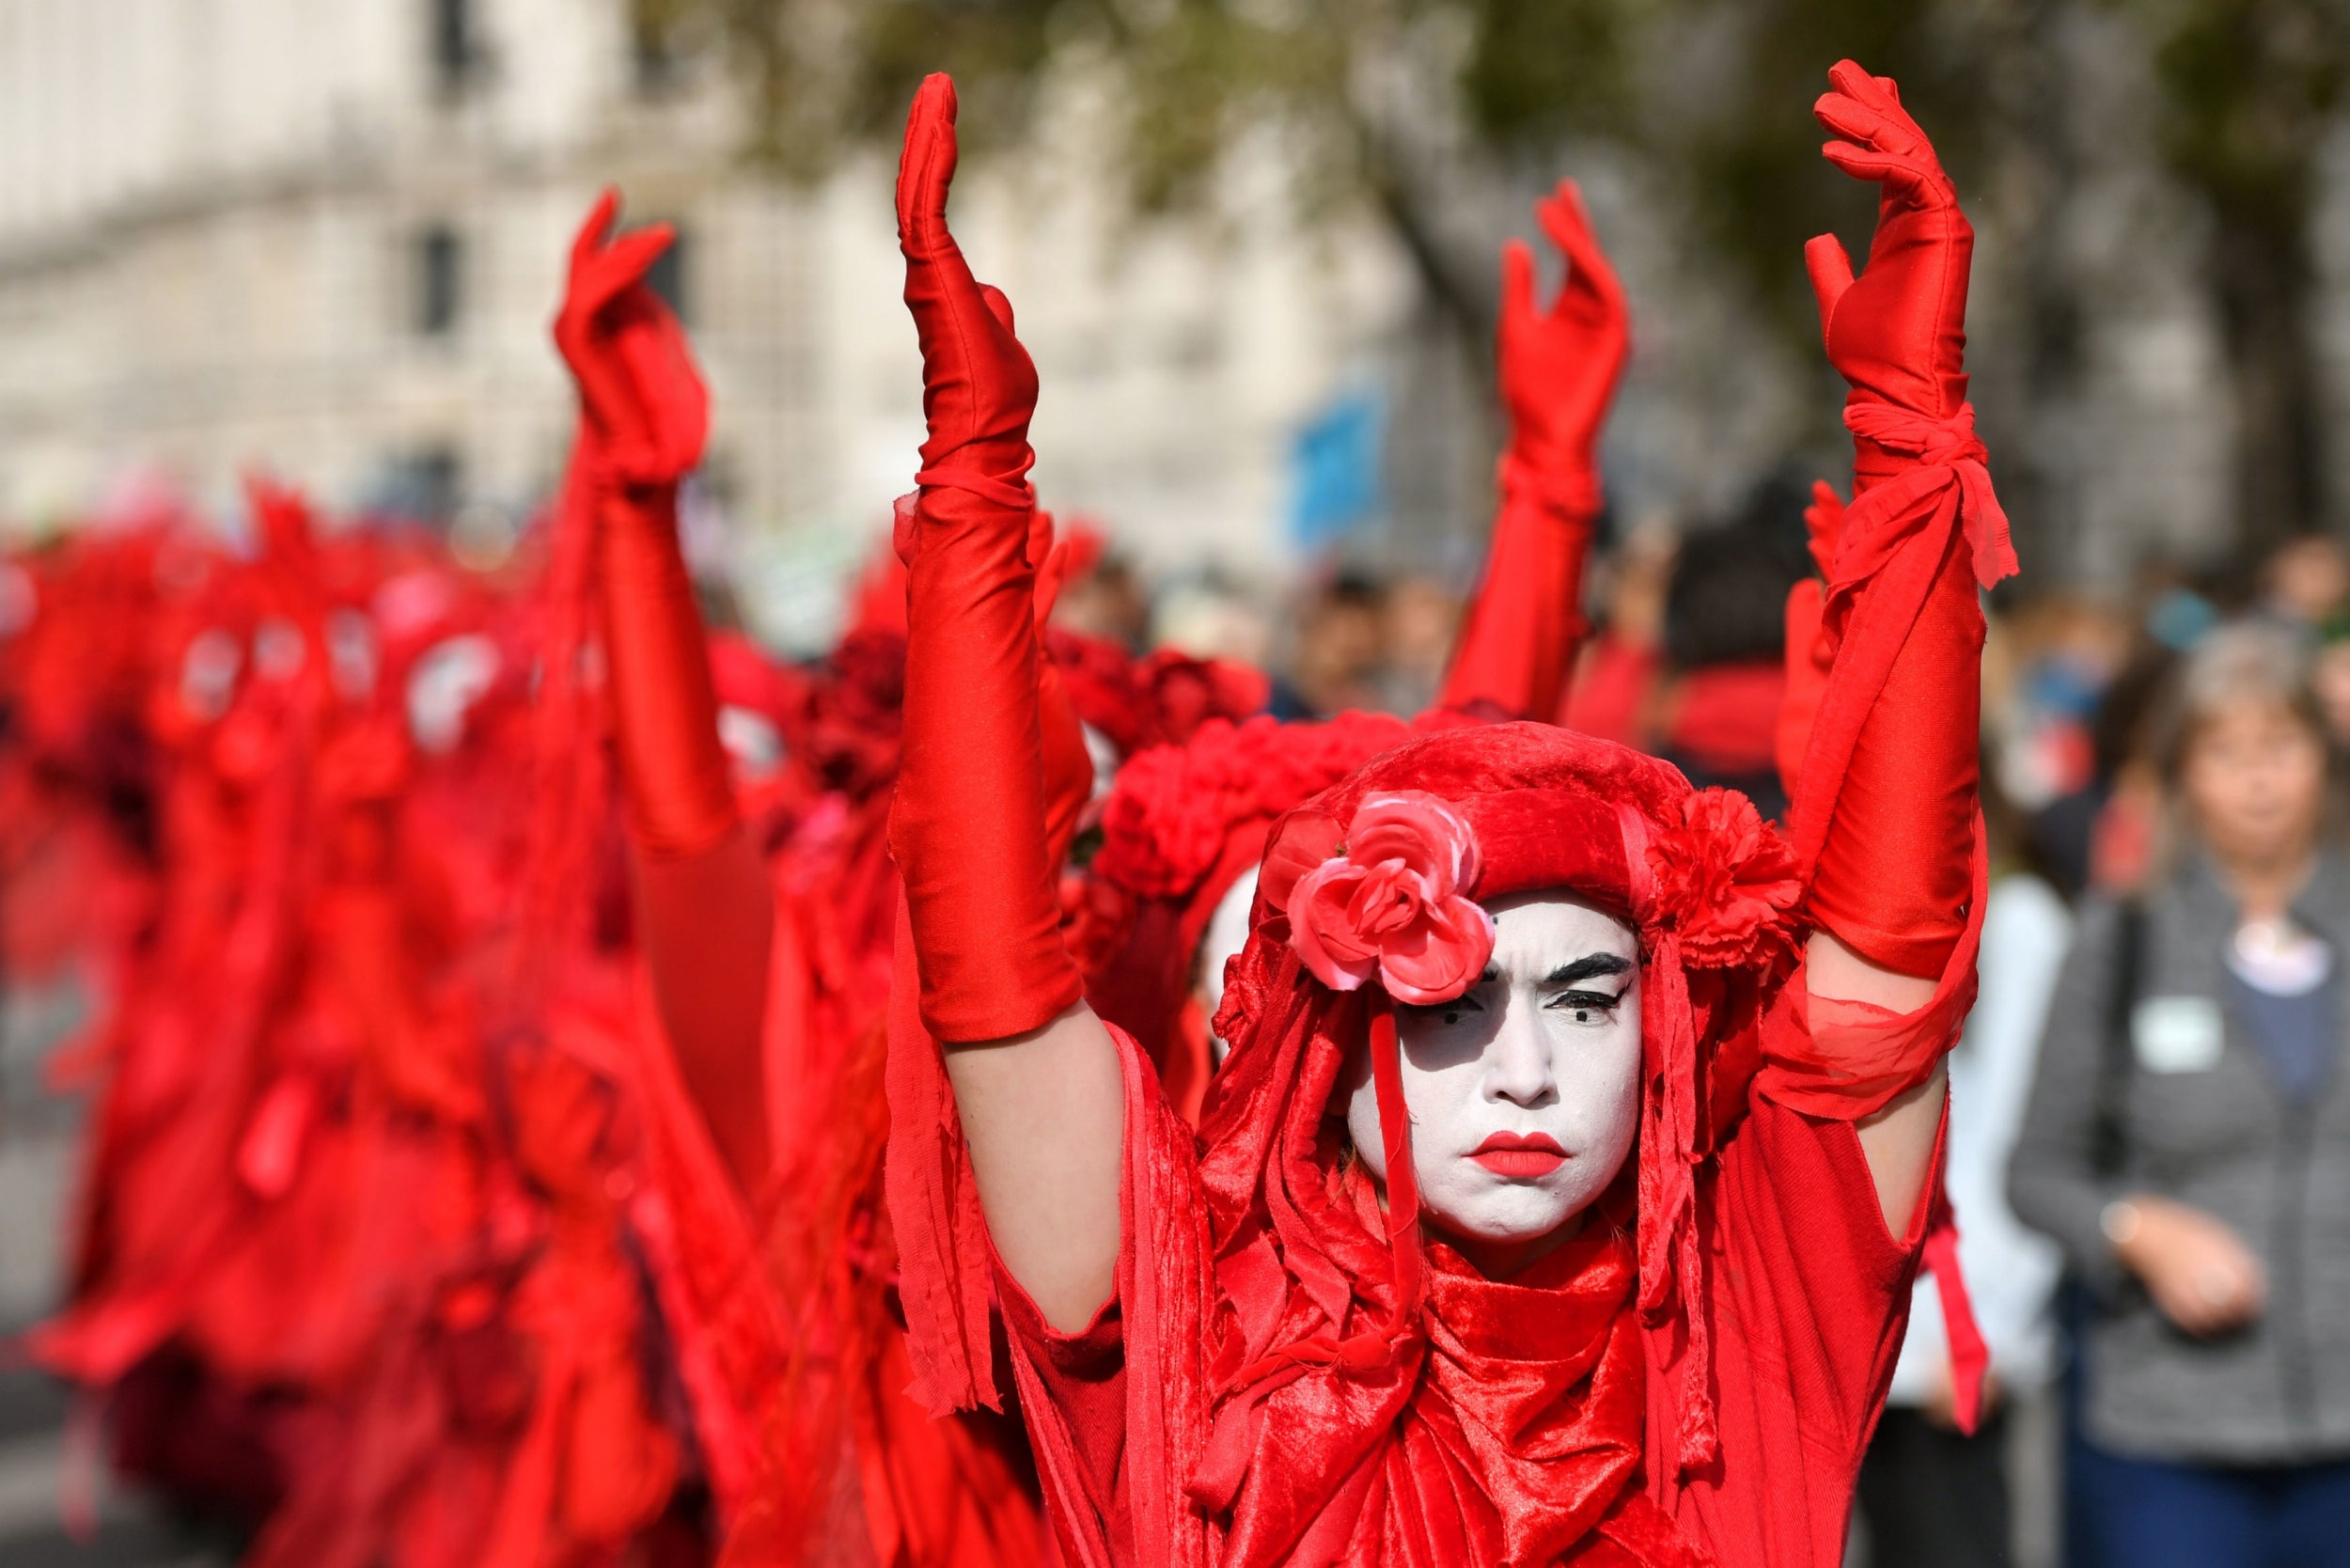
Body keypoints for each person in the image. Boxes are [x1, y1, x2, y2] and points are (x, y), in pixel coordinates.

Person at [885, 58, 2012, 1566]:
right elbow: (998, 994)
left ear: (1667, 1032)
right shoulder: (1183, 1341)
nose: (1528, 1074)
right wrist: (972, 476)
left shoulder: (1736, 1333)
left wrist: (1918, 431)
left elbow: (1891, 953)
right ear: (1329, 1032)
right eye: (1449, 1003)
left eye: (1591, 998)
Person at [2010, 623, 2350, 1568]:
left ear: (2321, 759)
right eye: (2224, 753)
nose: (2257, 781)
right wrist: (2135, 1230)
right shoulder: (2122, 941)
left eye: (2279, 747)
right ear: (2181, 773)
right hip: (2171, 1438)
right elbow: (2034, 1171)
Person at [1854, 782, 2069, 1568]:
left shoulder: (2019, 925)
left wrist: (1987, 1332)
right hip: (1854, 1337)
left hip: (1946, 1342)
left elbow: (2016, 1131)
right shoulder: (1860, 915)